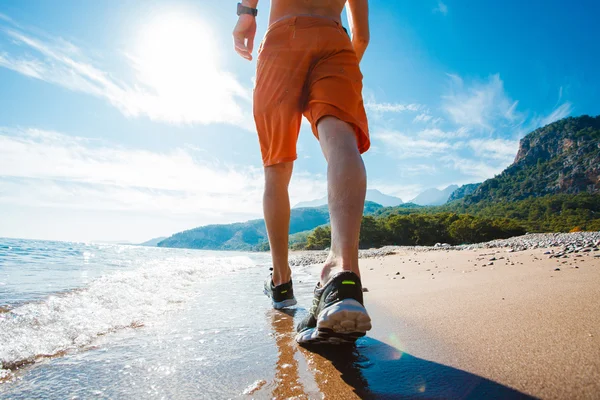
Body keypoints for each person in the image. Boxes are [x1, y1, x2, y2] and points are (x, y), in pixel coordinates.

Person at [233, 0, 372, 345]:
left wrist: (245, 15)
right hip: (336, 41)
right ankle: (343, 275)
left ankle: (281, 282)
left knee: (276, 168)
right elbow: (363, 37)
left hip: (283, 37)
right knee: (340, 138)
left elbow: (250, 6)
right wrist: (338, 62)